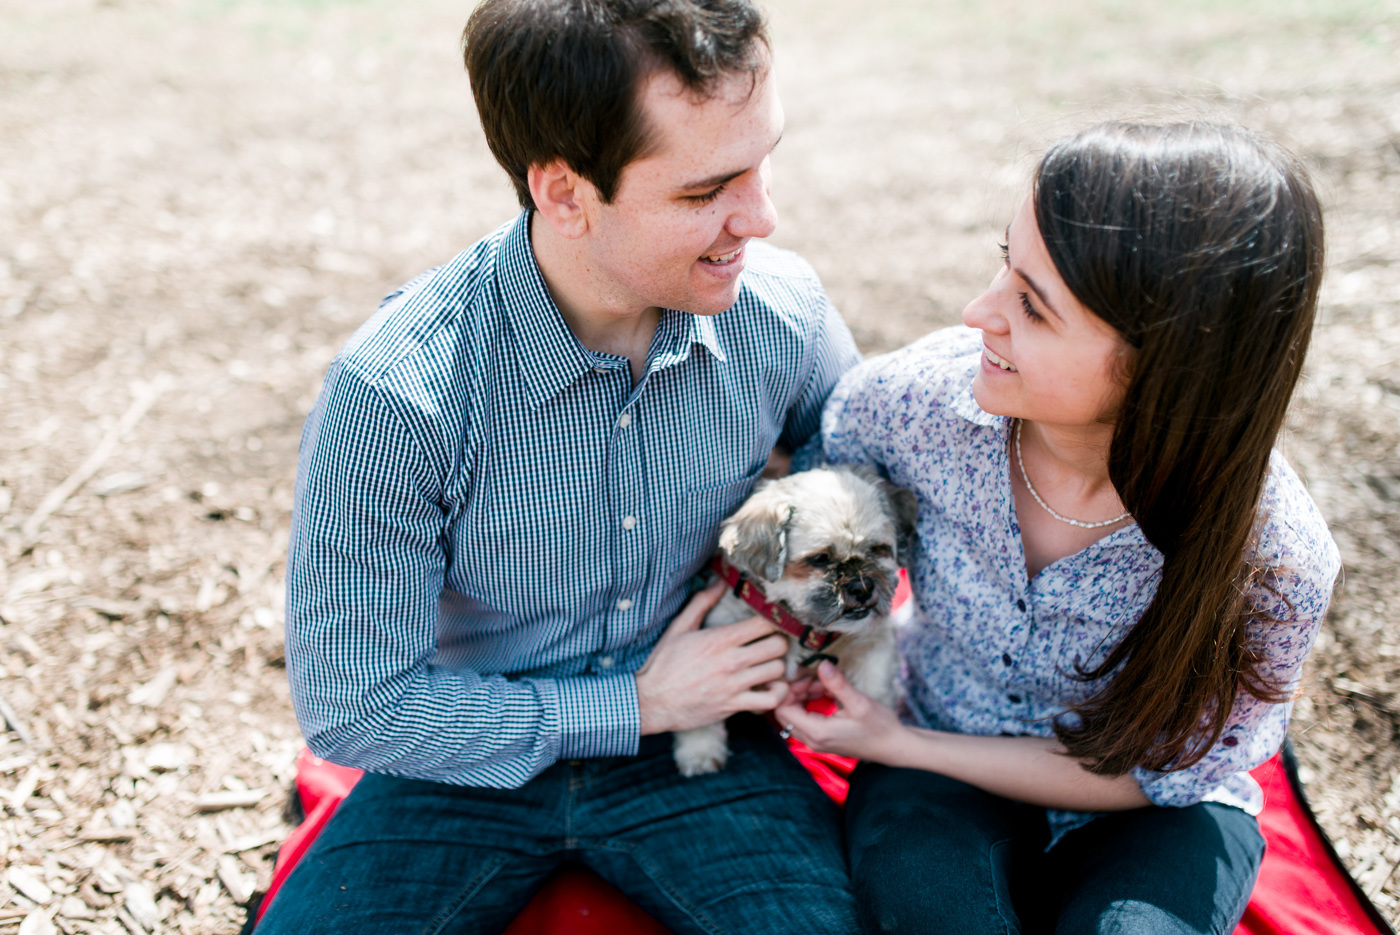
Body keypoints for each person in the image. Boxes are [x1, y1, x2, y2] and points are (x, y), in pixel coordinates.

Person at [259, 1, 863, 932]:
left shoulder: (779, 313)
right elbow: (355, 709)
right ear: (564, 192)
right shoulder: (397, 395)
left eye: (762, 160)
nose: (763, 218)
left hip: (707, 747)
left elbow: (855, 466)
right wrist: (635, 702)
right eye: (706, 193)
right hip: (466, 765)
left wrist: (789, 616)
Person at [775, 121, 1341, 935]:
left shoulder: (1273, 560)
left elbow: (1164, 775)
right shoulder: (912, 405)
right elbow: (818, 497)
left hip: (1150, 811)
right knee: (927, 907)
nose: (980, 312)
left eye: (1032, 307)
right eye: (1005, 263)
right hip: (939, 738)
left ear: (1170, 361)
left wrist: (901, 744)